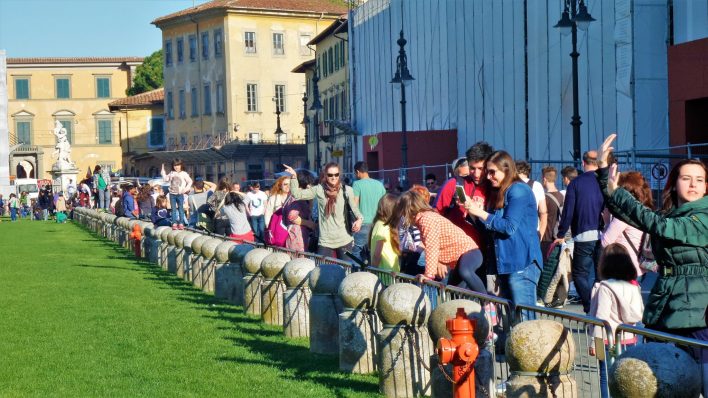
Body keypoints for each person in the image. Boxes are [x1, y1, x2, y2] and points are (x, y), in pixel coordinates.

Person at [597, 134, 707, 341]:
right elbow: (628, 215)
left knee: (696, 370)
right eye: (686, 178)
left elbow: (661, 226)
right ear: (674, 184)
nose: (693, 184)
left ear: (706, 187)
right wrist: (603, 172)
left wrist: (617, 192)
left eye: (699, 180)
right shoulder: (671, 214)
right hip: (666, 301)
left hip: (695, 311)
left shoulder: (704, 215)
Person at [465, 150, 542, 311]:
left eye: (492, 172)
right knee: (511, 319)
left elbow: (509, 227)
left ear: (506, 169)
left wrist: (481, 213)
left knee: (524, 321)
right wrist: (476, 215)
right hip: (506, 264)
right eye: (488, 172)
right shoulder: (500, 192)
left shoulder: (518, 190)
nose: (488, 176)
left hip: (522, 263)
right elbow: (492, 229)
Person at [389, 191, 485, 293]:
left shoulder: (426, 219)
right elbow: (435, 242)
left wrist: (429, 275)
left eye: (402, 213)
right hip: (459, 259)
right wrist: (439, 262)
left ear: (408, 210)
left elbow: (432, 246)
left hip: (469, 252)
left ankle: (488, 302)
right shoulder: (423, 218)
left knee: (465, 272)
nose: (403, 217)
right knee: (455, 292)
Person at [588, 243, 643, 398]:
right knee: (626, 378)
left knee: (606, 377)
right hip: (630, 339)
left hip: (606, 340)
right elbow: (638, 314)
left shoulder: (605, 287)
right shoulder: (634, 287)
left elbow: (602, 318)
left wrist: (594, 342)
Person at [554, 150, 605, 314]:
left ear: (583, 163)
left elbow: (568, 212)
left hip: (583, 232)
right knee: (600, 275)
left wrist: (561, 234)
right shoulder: (603, 181)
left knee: (579, 274)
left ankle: (590, 305)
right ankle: (602, 307)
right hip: (604, 232)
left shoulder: (576, 183)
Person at [284, 162, 363, 259]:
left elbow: (355, 209)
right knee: (323, 271)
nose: (333, 177)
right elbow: (297, 194)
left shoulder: (347, 190)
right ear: (325, 175)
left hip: (344, 239)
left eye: (336, 174)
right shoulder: (319, 189)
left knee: (346, 271)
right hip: (325, 241)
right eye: (330, 175)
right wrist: (294, 176)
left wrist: (359, 220)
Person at [600, 171, 654, 279]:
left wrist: (606, 223)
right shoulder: (645, 211)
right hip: (641, 267)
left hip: (626, 268)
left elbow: (605, 242)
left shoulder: (624, 216)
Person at [352, 161, 387, 261]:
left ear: (358, 172)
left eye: (355, 173)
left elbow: (355, 204)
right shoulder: (379, 184)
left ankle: (358, 275)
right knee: (372, 254)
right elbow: (385, 203)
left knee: (357, 254)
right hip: (378, 224)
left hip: (362, 224)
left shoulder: (357, 184)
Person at [284, 171, 317, 252]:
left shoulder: (291, 195)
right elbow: (292, 216)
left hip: (292, 235)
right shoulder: (299, 197)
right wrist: (310, 224)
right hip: (298, 237)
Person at [516, 160, 548, 238]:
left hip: (515, 231)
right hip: (532, 230)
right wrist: (540, 234)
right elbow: (543, 212)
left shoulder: (510, 184)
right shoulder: (537, 185)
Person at [369, 193, 400, 272]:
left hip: (390, 271)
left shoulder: (381, 224)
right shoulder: (382, 226)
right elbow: (377, 255)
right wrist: (373, 272)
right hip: (384, 273)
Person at [540, 166, 565, 257]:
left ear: (544, 179)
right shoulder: (561, 196)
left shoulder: (544, 198)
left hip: (545, 238)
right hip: (558, 237)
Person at [161, 159, 192, 230]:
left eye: (178, 165)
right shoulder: (172, 173)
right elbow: (166, 179)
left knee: (181, 209)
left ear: (181, 165)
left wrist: (185, 189)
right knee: (173, 209)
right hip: (172, 194)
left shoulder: (184, 173)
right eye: (175, 165)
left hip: (180, 194)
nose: (176, 167)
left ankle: (181, 223)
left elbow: (190, 181)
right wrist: (163, 171)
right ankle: (174, 223)